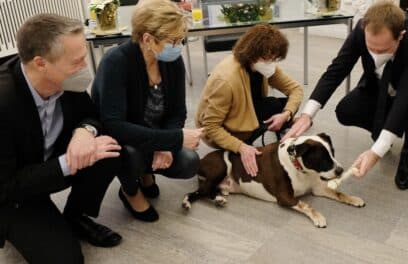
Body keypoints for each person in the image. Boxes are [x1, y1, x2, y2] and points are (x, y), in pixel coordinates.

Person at [0, 14, 122, 263]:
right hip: (12, 195)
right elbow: (7, 186)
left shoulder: (64, 80)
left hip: (44, 168)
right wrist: (69, 161)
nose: (84, 67)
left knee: (108, 148)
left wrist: (84, 132)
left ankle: (75, 215)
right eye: (77, 62)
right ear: (41, 63)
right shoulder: (4, 103)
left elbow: (92, 116)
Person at [283, 1, 408, 190]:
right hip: (379, 88)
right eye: (370, 48)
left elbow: (406, 97)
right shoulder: (361, 28)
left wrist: (376, 152)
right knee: (346, 110)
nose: (375, 55)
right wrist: (308, 114)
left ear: (401, 36)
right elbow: (337, 69)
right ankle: (384, 131)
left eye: (382, 50)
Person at [92, 0, 202, 222]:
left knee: (189, 162)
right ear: (147, 39)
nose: (178, 46)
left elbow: (177, 111)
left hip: (153, 133)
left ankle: (146, 173)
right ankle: (130, 191)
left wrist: (167, 144)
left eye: (181, 40)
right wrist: (173, 139)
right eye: (173, 41)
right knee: (131, 156)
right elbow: (115, 126)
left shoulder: (172, 61)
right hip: (124, 139)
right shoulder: (116, 63)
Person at [196, 24, 304, 177]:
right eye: (268, 58)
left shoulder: (263, 65)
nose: (271, 62)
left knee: (279, 105)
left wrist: (286, 114)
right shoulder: (226, 80)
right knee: (274, 108)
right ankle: (248, 137)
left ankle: (283, 122)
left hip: (245, 109)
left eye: (275, 58)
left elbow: (296, 90)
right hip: (224, 127)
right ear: (252, 52)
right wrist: (241, 147)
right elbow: (211, 127)